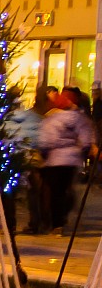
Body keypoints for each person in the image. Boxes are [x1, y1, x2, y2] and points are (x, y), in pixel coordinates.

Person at [36, 90, 96, 234]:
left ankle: (57, 223)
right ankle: (65, 216)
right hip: (72, 160)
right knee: (67, 188)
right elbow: (86, 138)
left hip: (55, 160)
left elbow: (45, 141)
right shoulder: (79, 119)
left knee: (55, 192)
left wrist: (44, 154)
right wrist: (83, 152)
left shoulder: (51, 119)